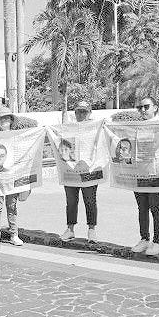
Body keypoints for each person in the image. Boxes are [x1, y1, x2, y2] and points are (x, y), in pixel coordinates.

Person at [130, 97, 159, 256]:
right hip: (140, 172)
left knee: (155, 207)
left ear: (155, 107)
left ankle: (157, 242)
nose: (143, 110)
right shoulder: (138, 126)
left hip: (156, 173)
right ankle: (144, 239)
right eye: (140, 108)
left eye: (146, 106)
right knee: (142, 208)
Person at [61, 101, 98, 243]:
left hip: (89, 171)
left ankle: (91, 230)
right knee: (71, 201)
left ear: (90, 113)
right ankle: (70, 229)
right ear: (74, 113)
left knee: (90, 201)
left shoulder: (95, 128)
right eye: (78, 111)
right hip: (71, 171)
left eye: (84, 111)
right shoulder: (69, 129)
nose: (81, 114)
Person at [0, 107, 25, 248]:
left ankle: (14, 234)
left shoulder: (16, 136)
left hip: (11, 176)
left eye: (7, 117)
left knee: (12, 206)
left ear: (11, 120)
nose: (4, 120)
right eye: (1, 118)